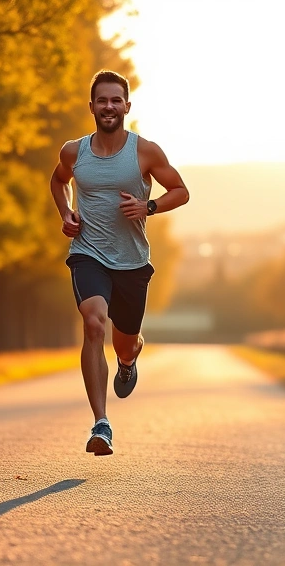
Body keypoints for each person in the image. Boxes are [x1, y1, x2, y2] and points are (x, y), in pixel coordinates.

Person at [49, 70, 190, 456]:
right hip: (88, 253)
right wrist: (67, 213)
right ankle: (101, 423)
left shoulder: (145, 151)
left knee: (124, 343)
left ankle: (129, 359)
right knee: (93, 324)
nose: (108, 107)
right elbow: (57, 181)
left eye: (116, 100)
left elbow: (181, 191)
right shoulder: (73, 152)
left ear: (127, 106)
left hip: (131, 262)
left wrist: (149, 206)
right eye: (102, 100)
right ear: (91, 106)